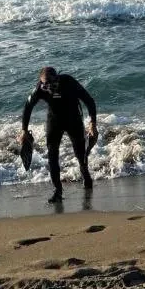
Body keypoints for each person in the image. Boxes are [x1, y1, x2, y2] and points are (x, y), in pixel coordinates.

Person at [20, 66, 98, 203]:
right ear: (41, 83)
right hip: (54, 122)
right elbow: (28, 106)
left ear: (58, 78)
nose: (50, 87)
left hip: (73, 120)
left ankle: (86, 177)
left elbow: (89, 100)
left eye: (53, 83)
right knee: (52, 155)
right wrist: (24, 130)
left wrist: (93, 123)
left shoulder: (68, 82)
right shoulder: (39, 89)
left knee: (80, 154)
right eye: (46, 85)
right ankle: (57, 191)